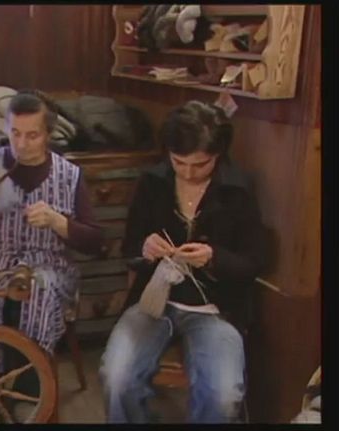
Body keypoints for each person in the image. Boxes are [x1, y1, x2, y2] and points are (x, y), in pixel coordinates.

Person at [100, 100, 268, 423]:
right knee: (116, 377)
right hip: (152, 303)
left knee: (223, 396)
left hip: (215, 310)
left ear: (218, 154)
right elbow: (130, 246)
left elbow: (255, 261)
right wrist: (145, 247)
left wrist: (214, 257)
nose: (188, 173)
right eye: (178, 162)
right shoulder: (152, 182)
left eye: (201, 164)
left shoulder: (238, 189)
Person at [0, 90, 103, 398]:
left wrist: (58, 222)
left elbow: (95, 241)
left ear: (48, 134)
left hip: (47, 264)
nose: (21, 144)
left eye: (32, 135)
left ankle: (30, 390)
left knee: (38, 293)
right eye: (15, 133)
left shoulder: (69, 175)